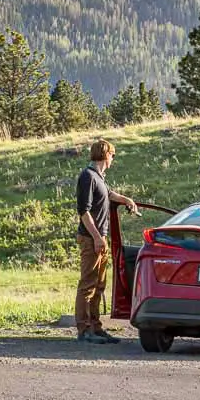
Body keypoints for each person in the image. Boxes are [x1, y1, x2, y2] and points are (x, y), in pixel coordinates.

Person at [74, 138, 138, 344]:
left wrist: (126, 200)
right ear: (104, 154)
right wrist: (96, 238)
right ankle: (84, 330)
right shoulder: (87, 176)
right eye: (112, 154)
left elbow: (108, 194)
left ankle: (96, 327)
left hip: (100, 238)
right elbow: (84, 211)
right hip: (91, 238)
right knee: (88, 285)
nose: (113, 158)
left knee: (99, 285)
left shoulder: (99, 177)